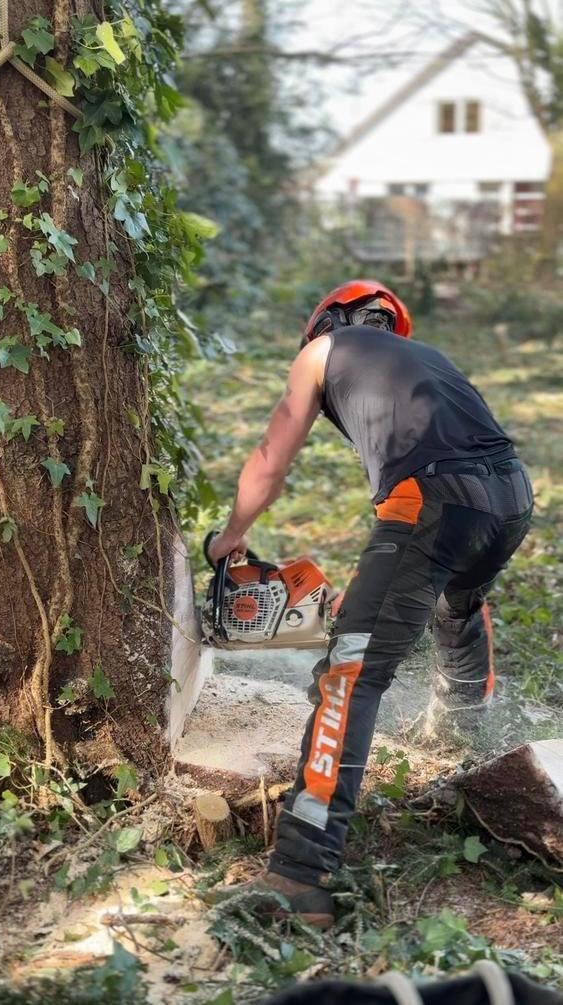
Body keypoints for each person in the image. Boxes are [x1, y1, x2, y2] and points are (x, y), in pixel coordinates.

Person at [207, 279, 533, 929]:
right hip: (509, 499)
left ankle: (298, 874)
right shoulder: (428, 360)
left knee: (349, 677)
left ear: (325, 323)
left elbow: (271, 459)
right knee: (455, 607)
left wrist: (231, 536)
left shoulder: (320, 352)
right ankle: (467, 724)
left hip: (430, 500)